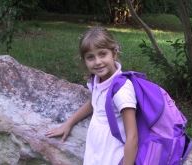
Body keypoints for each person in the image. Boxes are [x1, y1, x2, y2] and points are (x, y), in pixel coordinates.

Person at [45, 26, 138, 165]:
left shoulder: (122, 90)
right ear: (84, 60)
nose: (98, 62)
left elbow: (132, 136)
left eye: (102, 54)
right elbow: (94, 103)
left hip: (112, 155)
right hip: (97, 150)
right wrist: (69, 123)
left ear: (114, 53)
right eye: (90, 57)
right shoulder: (98, 80)